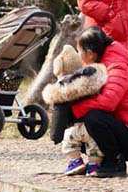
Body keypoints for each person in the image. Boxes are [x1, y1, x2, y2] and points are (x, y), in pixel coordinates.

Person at [70, 27, 128, 178]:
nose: (78, 55)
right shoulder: (96, 65)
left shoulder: (116, 67)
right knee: (79, 118)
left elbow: (109, 102)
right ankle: (98, 160)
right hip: (119, 127)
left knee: (93, 118)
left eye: (79, 50)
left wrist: (76, 110)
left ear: (90, 53)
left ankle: (115, 162)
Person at [41, 45, 107, 176]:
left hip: (74, 128)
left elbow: (60, 115)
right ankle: (94, 166)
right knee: (94, 146)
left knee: (69, 143)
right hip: (92, 126)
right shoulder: (89, 82)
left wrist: (55, 135)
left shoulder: (63, 89)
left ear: (59, 69)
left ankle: (75, 162)